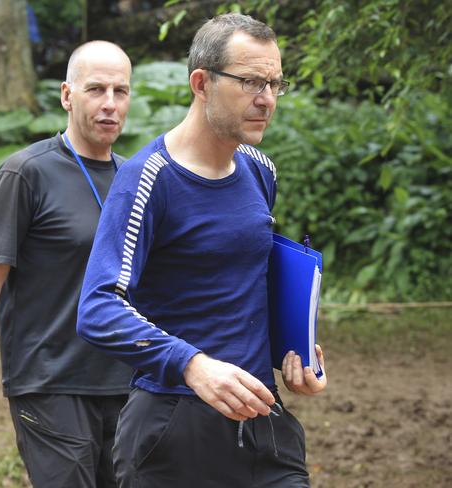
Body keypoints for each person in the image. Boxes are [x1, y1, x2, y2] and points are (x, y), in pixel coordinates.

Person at [77, 14, 327, 487]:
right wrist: (193, 366)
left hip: (262, 419)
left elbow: (245, 281)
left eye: (275, 83)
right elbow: (97, 307)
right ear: (201, 82)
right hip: (172, 431)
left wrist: (296, 352)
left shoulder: (260, 169)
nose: (267, 99)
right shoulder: (149, 179)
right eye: (251, 81)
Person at [0, 40, 134, 487]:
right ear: (67, 95)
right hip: (50, 386)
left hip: (129, 386)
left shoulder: (135, 178)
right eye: (96, 90)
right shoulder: (25, 174)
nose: (109, 104)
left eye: (120, 91)